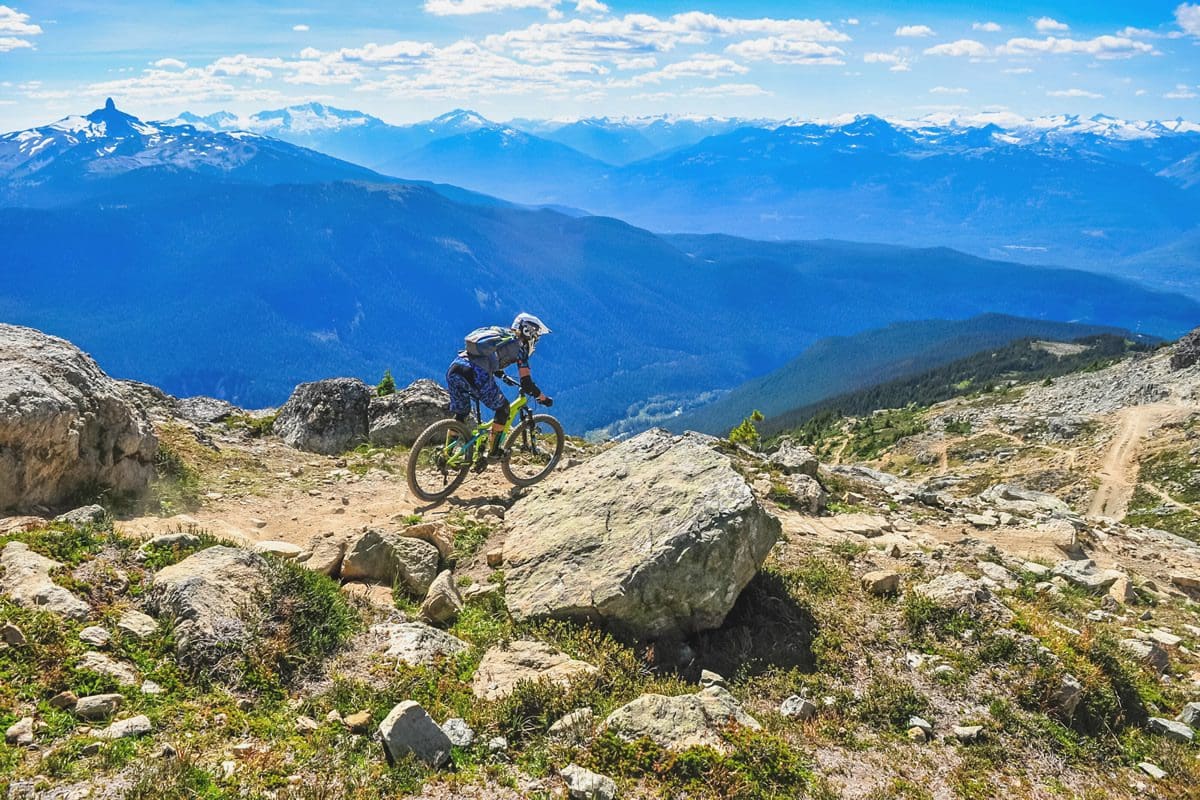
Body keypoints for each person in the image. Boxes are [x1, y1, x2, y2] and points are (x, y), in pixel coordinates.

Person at [445, 312, 553, 464]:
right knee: (503, 409)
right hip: (476, 373)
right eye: (536, 336)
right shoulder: (520, 347)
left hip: (455, 368)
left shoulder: (501, 335)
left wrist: (501, 375)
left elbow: (489, 357)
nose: (536, 340)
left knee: (461, 414)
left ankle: (446, 455)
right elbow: (527, 383)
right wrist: (542, 398)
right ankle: (494, 452)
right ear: (529, 332)